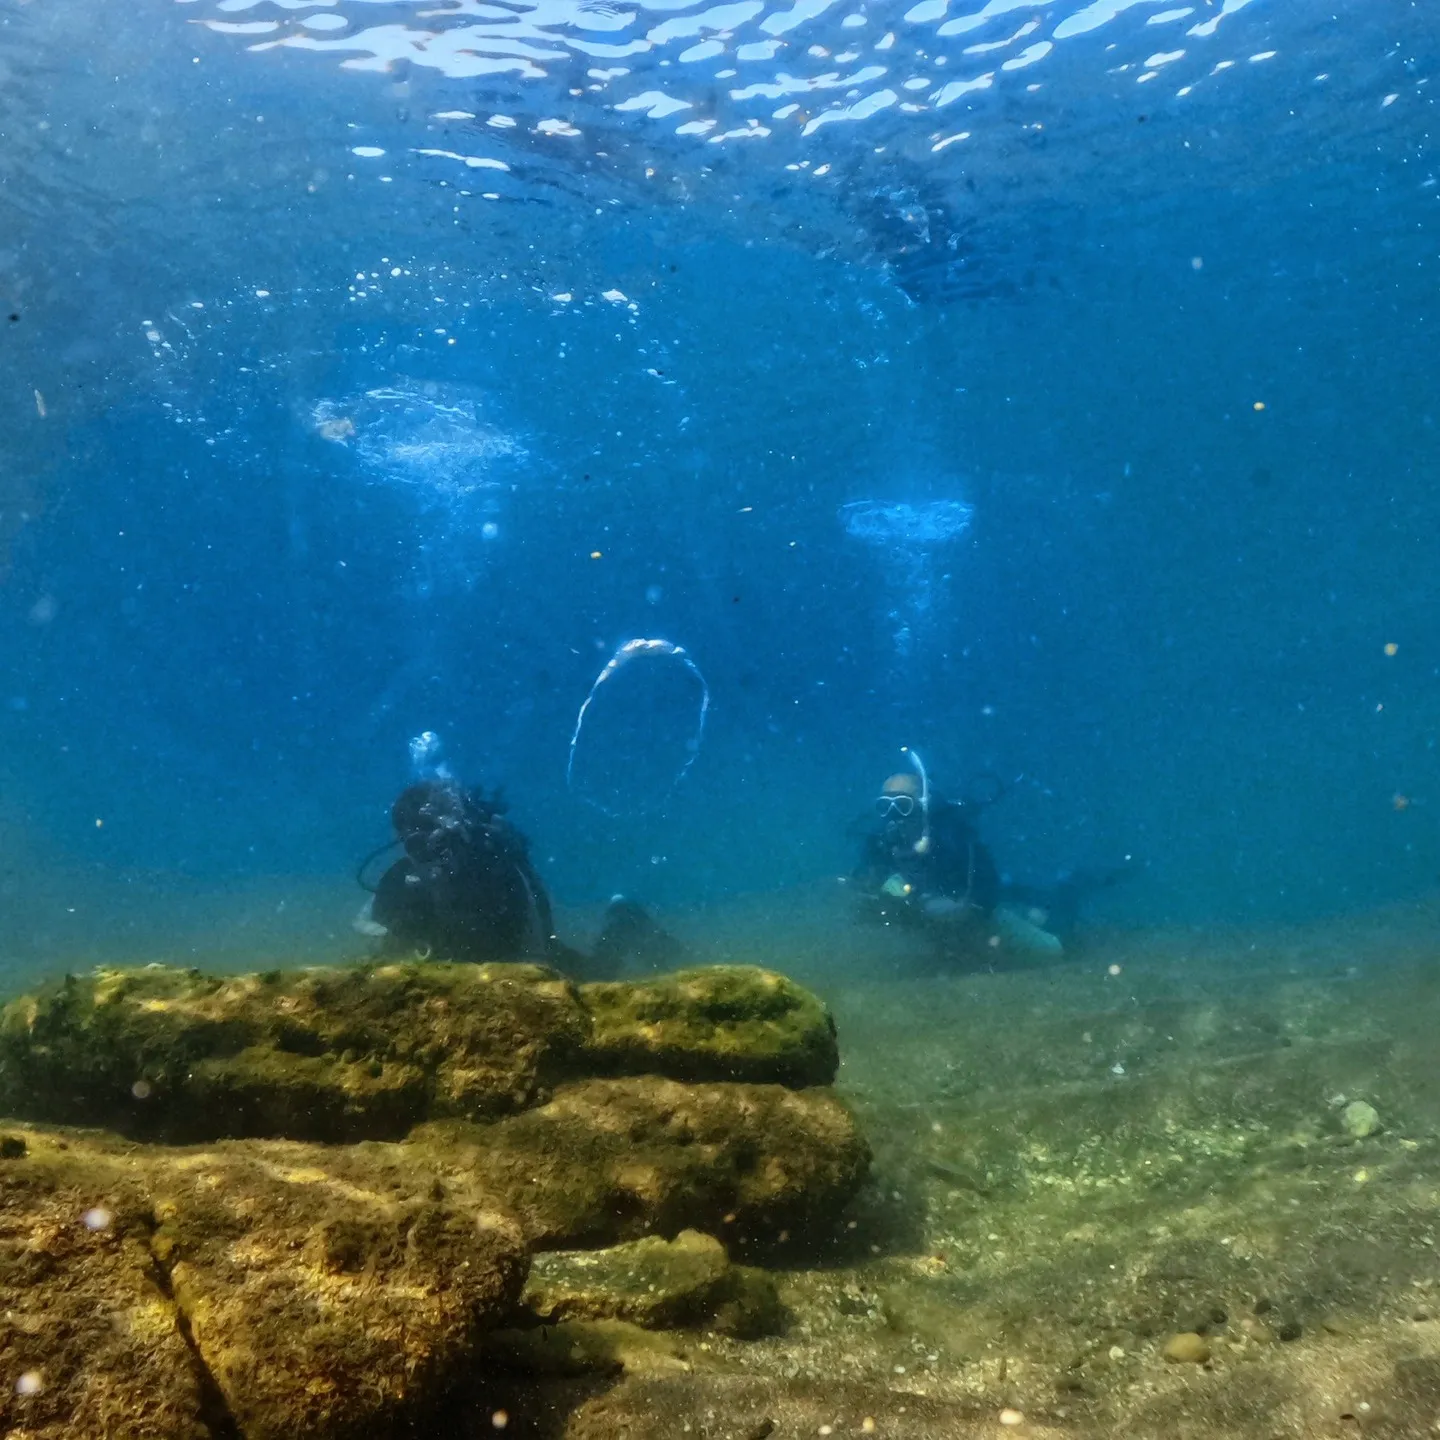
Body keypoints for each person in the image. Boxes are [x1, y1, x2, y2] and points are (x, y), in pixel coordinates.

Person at [357, 777, 686, 975]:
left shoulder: (487, 864)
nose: (433, 853)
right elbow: (382, 946)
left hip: (529, 960)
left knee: (600, 975)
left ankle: (624, 922)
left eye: (434, 838)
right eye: (414, 843)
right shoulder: (401, 882)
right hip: (495, 966)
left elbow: (528, 935)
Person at [852, 766, 1070, 963]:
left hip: (977, 920)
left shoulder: (952, 835)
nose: (894, 815)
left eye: (902, 805)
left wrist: (951, 906)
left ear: (923, 804)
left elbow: (984, 893)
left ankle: (1061, 900)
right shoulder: (879, 842)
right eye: (885, 806)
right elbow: (864, 884)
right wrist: (884, 889)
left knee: (1051, 950)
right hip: (931, 922)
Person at [365, 779, 554, 963]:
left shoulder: (496, 873)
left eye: (442, 844)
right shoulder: (397, 881)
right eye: (417, 846)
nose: (434, 860)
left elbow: (535, 952)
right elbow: (379, 949)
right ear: (401, 841)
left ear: (460, 835)